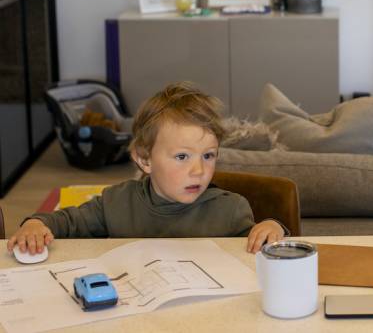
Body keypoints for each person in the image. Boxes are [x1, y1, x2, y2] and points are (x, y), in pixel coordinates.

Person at [8, 82, 286, 254]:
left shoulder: (231, 210)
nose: (199, 171)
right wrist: (36, 224)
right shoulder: (115, 202)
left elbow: (261, 251)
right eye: (182, 157)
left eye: (209, 155)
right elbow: (65, 223)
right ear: (144, 160)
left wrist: (273, 227)